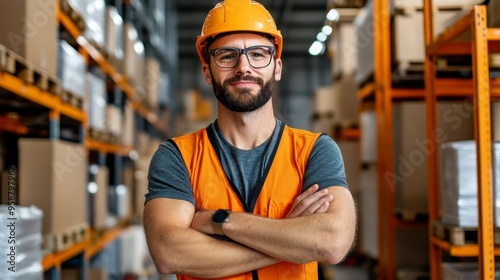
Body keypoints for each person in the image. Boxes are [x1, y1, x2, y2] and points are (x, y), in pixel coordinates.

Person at [143, 0, 356, 279]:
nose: (244, 67)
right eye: (227, 56)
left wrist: (218, 221)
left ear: (276, 68)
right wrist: (290, 239)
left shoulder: (314, 150)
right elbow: (169, 252)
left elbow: (332, 242)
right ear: (207, 71)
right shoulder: (177, 156)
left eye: (257, 54)